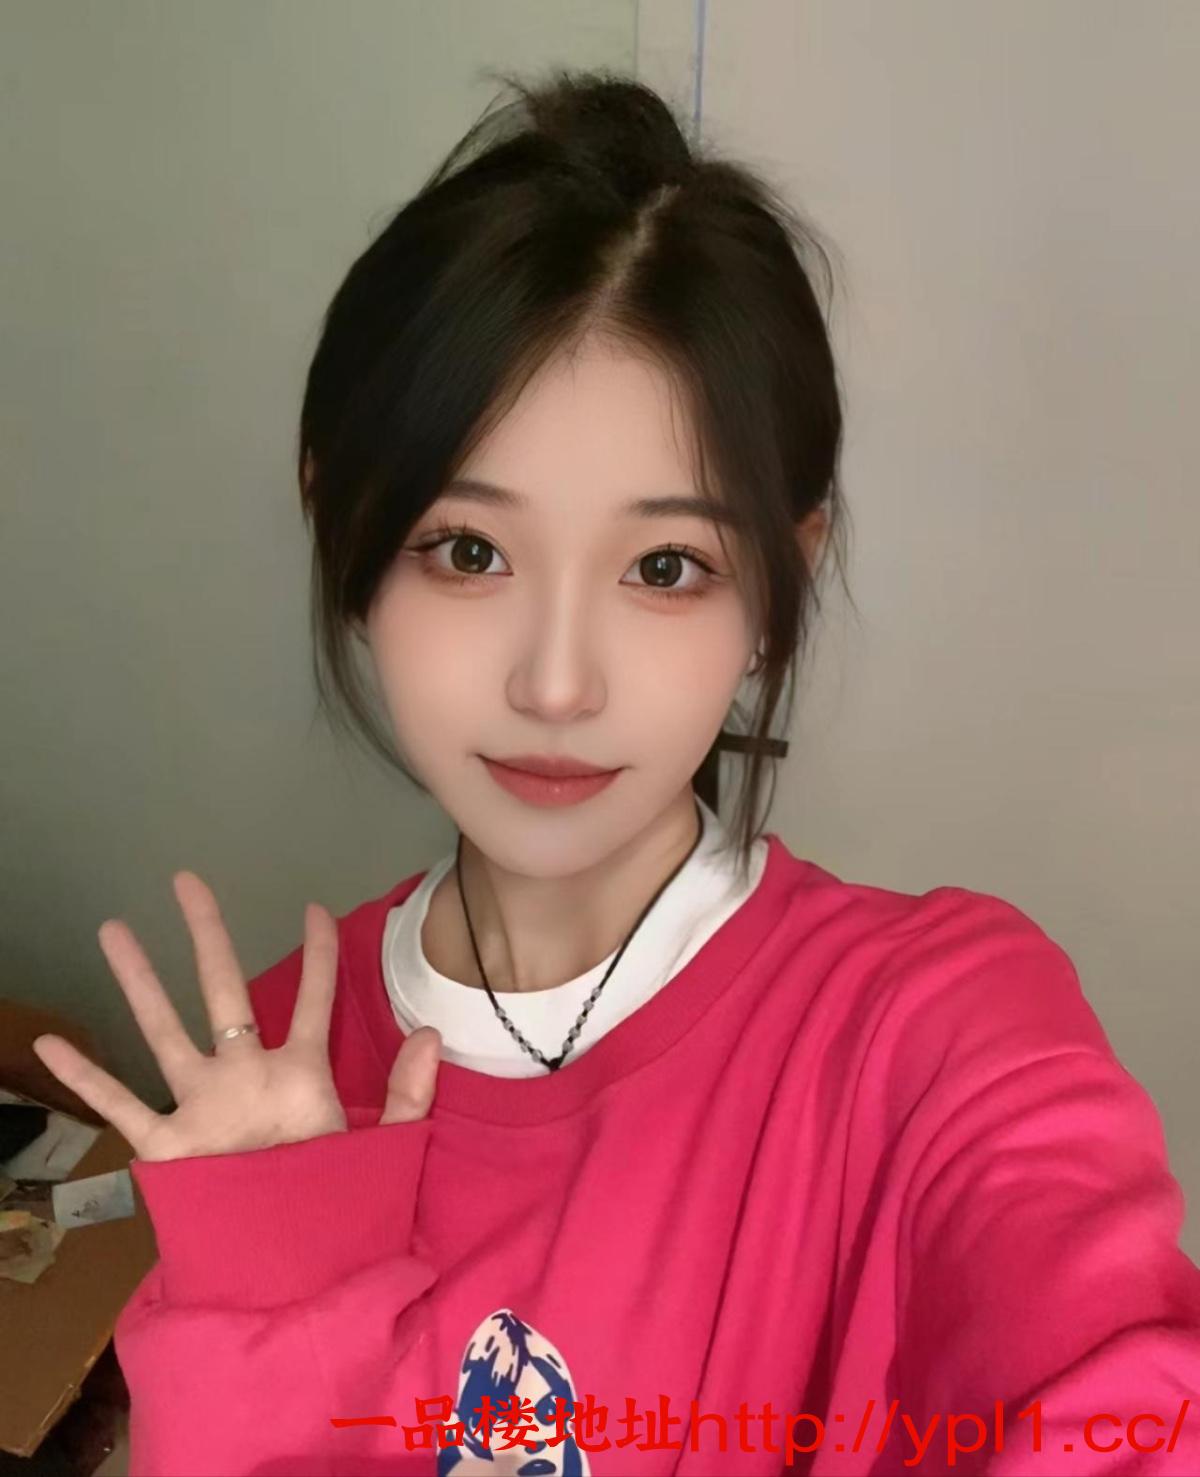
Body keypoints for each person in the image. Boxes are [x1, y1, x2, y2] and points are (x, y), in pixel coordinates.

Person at [32, 66, 1200, 1477]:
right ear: (345, 532)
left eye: (665, 566)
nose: (557, 683)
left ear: (779, 585)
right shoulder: (277, 1064)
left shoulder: (933, 1032)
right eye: (469, 550)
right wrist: (264, 1289)